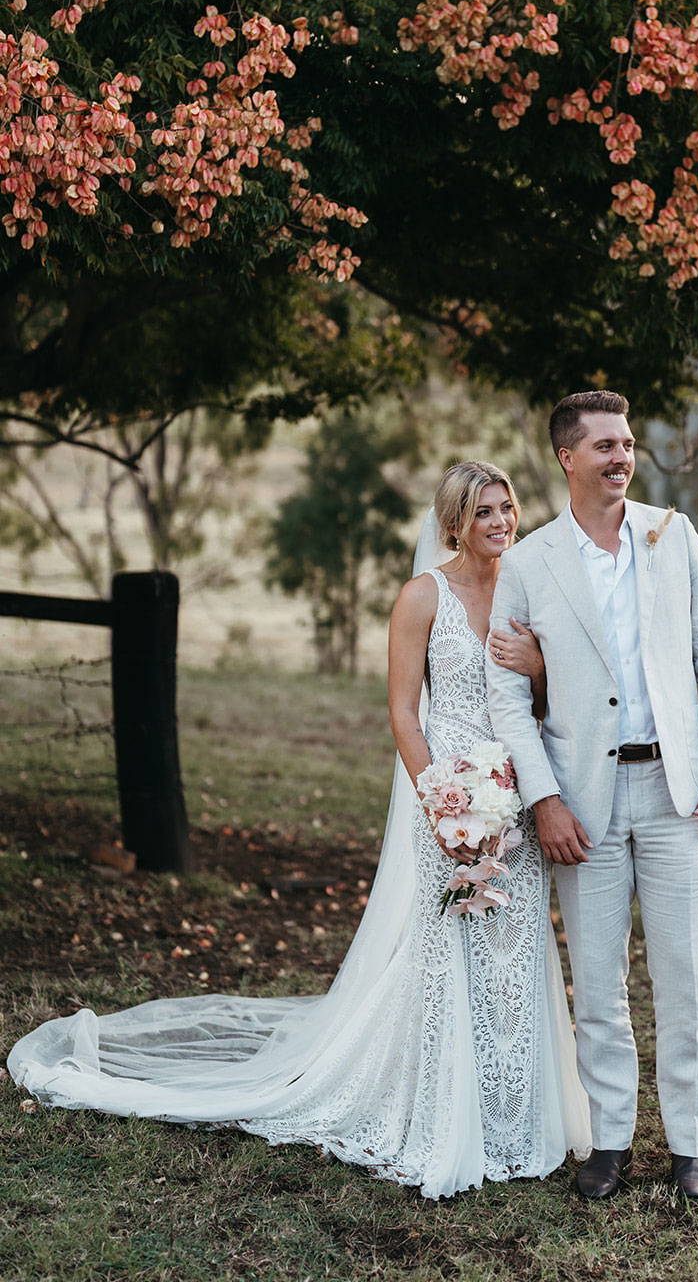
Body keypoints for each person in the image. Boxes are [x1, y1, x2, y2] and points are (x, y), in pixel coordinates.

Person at [7, 460, 590, 1200]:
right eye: (484, 513)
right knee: (449, 949)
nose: (502, 523)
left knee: (515, 952)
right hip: (449, 792)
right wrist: (441, 802)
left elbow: (550, 695)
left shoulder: (525, 591)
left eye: (507, 507)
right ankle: (448, 1115)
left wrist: (538, 667)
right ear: (453, 524)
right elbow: (404, 713)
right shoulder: (422, 597)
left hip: (515, 794)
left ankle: (516, 1117)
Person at [487, 391, 698, 1201]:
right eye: (603, 444)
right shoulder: (530, 562)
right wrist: (543, 799)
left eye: (627, 443)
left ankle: (690, 1149)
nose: (620, 456)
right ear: (566, 457)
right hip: (581, 803)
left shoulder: (675, 537)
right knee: (596, 988)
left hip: (678, 797)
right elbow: (505, 695)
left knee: (684, 982)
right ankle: (607, 1146)